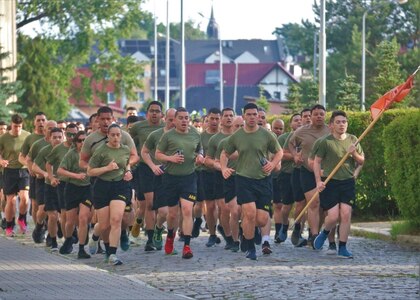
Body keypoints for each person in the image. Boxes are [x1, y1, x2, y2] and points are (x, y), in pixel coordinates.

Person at [220, 103, 282, 260]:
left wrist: (273, 164)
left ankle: (246, 230)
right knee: (249, 213)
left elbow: (279, 151)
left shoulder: (266, 134)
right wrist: (223, 169)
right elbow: (224, 153)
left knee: (261, 219)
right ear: (244, 115)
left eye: (255, 114)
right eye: (249, 114)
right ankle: (249, 247)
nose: (252, 117)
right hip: (243, 179)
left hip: (263, 180)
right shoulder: (237, 136)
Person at [80, 106, 138, 253]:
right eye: (103, 119)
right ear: (97, 120)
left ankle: (122, 234)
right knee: (105, 223)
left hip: (121, 181)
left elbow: (134, 155)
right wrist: (98, 168)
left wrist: (127, 167)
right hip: (99, 182)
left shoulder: (123, 135)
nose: (106, 122)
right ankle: (106, 248)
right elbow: (83, 162)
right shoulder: (91, 139)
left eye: (108, 119)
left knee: (122, 216)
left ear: (113, 119)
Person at [313, 111, 364, 258]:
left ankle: (343, 247)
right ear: (331, 125)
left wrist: (353, 154)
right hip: (330, 181)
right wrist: (318, 181)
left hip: (347, 182)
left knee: (346, 214)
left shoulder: (353, 139)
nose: (342, 124)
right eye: (338, 122)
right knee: (333, 216)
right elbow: (316, 162)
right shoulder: (326, 142)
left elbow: (361, 161)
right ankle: (325, 232)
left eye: (344, 122)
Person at [155, 107, 204, 259]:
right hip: (171, 178)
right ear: (174, 120)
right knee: (172, 214)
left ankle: (187, 246)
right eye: (181, 118)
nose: (184, 121)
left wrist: (200, 156)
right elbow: (158, 154)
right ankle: (170, 236)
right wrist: (171, 159)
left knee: (188, 210)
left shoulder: (195, 133)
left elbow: (199, 148)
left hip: (189, 177)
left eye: (186, 118)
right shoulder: (168, 136)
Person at [87, 124, 133, 265]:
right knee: (104, 224)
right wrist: (107, 168)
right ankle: (95, 236)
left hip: (119, 186)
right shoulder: (101, 150)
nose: (115, 137)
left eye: (118, 134)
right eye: (112, 135)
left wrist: (128, 172)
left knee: (116, 219)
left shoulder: (125, 150)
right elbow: (90, 171)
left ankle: (112, 253)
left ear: (121, 135)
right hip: (102, 186)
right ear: (107, 136)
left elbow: (127, 164)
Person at [288, 104, 330, 247]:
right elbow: (291, 143)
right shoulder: (301, 131)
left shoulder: (330, 130)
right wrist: (295, 156)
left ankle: (320, 231)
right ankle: (314, 235)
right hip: (307, 171)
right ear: (310, 116)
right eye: (316, 114)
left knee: (324, 206)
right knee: (314, 203)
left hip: (326, 171)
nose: (319, 116)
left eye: (321, 114)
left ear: (325, 116)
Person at [129, 101, 164, 251]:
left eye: (157, 111)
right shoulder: (138, 127)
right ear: (147, 113)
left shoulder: (166, 127)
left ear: (161, 114)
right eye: (152, 111)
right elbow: (129, 144)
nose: (154, 113)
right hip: (144, 168)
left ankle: (155, 229)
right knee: (149, 204)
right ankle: (150, 239)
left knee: (159, 206)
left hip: (163, 168)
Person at [141, 108, 177, 250]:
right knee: (163, 212)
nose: (173, 122)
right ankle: (158, 227)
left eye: (176, 119)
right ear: (164, 119)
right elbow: (144, 152)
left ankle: (171, 241)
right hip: (162, 175)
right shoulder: (156, 135)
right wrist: (152, 166)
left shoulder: (185, 134)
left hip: (180, 176)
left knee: (176, 213)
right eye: (170, 119)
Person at [58, 131, 92, 259]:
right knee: (70, 220)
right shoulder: (71, 154)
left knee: (83, 218)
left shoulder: (92, 154)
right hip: (72, 188)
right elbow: (60, 170)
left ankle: (82, 249)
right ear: (75, 142)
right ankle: (68, 239)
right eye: (79, 140)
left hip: (87, 189)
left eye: (85, 140)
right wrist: (76, 175)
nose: (82, 143)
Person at [212, 115, 244, 252]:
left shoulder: (251, 141)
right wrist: (223, 169)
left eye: (242, 126)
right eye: (237, 126)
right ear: (232, 127)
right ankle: (234, 240)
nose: (240, 128)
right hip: (229, 178)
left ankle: (245, 234)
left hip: (246, 178)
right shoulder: (224, 142)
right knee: (234, 211)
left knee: (245, 211)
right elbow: (216, 160)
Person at [205, 108, 235, 249]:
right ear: (222, 119)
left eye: (231, 116)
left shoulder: (240, 136)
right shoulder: (215, 139)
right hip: (217, 175)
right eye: (226, 116)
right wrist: (220, 167)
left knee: (236, 208)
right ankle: (225, 236)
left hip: (239, 175)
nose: (229, 118)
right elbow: (208, 160)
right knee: (221, 207)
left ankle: (235, 233)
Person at [32, 127, 64, 251]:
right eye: (54, 137)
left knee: (64, 215)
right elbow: (34, 166)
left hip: (65, 185)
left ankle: (68, 236)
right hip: (49, 185)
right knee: (52, 215)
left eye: (59, 137)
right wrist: (45, 174)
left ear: (63, 137)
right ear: (49, 138)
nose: (57, 140)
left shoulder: (68, 150)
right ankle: (51, 237)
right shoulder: (45, 151)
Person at [46, 123, 79, 242]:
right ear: (65, 134)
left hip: (79, 184)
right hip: (63, 184)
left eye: (74, 134)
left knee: (79, 214)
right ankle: (67, 240)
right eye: (69, 134)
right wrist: (51, 178)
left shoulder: (81, 146)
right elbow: (48, 164)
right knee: (64, 213)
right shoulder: (59, 148)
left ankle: (75, 233)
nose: (71, 137)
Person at [0, 114, 31, 237]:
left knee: (25, 198)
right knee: (11, 201)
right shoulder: (4, 137)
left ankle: (22, 219)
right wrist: (1, 161)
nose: (17, 129)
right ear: (11, 125)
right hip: (9, 171)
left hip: (23, 170)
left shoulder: (27, 135)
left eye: (19, 126)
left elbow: (31, 150)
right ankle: (9, 226)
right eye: (15, 126)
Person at [28, 120, 57, 244]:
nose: (51, 131)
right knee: (43, 209)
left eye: (54, 128)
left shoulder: (63, 146)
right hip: (42, 181)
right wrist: (43, 173)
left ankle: (51, 236)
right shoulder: (39, 145)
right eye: (49, 128)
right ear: (45, 130)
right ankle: (39, 226)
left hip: (58, 182)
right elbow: (31, 161)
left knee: (55, 212)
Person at [275, 114, 302, 244]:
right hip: (287, 174)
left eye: (301, 120)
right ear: (291, 124)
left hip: (302, 174)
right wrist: (295, 156)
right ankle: (284, 226)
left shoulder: (307, 136)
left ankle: (298, 231)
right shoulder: (283, 138)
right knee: (286, 206)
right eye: (296, 120)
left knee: (301, 204)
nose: (299, 122)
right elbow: (280, 155)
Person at [196, 108, 221, 246]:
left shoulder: (226, 135)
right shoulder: (201, 137)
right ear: (208, 119)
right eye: (212, 118)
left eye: (217, 118)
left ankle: (225, 229)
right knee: (210, 206)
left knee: (224, 206)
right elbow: (195, 152)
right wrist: (199, 157)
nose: (214, 121)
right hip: (206, 173)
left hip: (223, 173)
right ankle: (212, 233)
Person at [19, 112, 47, 226]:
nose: (41, 122)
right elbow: (21, 157)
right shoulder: (30, 138)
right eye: (38, 120)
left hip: (50, 175)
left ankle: (49, 229)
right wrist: (29, 166)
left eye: (43, 120)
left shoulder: (52, 136)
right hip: (35, 175)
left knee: (49, 204)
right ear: (34, 122)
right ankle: (38, 228)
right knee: (35, 204)